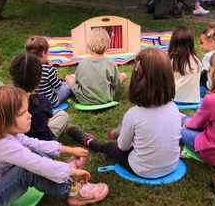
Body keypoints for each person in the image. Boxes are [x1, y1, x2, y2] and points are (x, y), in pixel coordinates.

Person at [0, 86, 109, 206]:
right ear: (4, 120)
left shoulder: (2, 133)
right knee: (27, 170)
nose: (30, 116)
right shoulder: (3, 144)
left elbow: (34, 143)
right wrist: (70, 172)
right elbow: (35, 164)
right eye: (22, 113)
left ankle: (63, 173)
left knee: (31, 151)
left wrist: (68, 150)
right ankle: (73, 191)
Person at [66, 47, 181, 179]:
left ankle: (89, 141)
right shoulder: (174, 108)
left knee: (110, 147)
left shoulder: (134, 114)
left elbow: (123, 146)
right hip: (172, 165)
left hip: (142, 169)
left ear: (137, 80)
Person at [10, 53, 69, 141]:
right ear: (39, 79)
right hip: (44, 143)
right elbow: (45, 124)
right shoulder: (43, 101)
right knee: (63, 114)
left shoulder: (6, 101)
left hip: (19, 142)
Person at [65, 28, 126, 105]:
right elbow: (116, 84)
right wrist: (122, 77)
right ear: (108, 44)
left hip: (84, 99)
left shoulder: (83, 62)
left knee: (68, 77)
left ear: (88, 44)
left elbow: (77, 82)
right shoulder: (111, 63)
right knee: (123, 75)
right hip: (106, 98)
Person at [25, 36, 72, 108]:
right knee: (68, 85)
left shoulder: (25, 67)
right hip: (50, 102)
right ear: (43, 53)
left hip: (34, 102)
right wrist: (52, 68)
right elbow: (58, 86)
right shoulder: (48, 69)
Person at [169, 26, 202, 103]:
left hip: (174, 98)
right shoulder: (196, 60)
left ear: (173, 42)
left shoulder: (172, 60)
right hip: (193, 99)